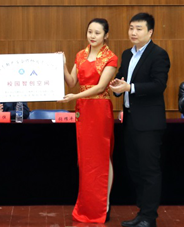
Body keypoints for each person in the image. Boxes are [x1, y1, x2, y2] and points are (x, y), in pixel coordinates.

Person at [109, 13, 170, 227]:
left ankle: (149, 217)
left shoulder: (158, 54)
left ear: (150, 32)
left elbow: (158, 85)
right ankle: (142, 212)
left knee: (149, 170)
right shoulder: (127, 54)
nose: (133, 32)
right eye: (131, 28)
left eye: (139, 29)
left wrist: (130, 87)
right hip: (130, 120)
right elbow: (123, 79)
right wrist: (117, 87)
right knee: (135, 169)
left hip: (149, 123)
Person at [60, 18, 118, 223]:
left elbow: (101, 87)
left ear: (106, 35)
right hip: (83, 110)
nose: (92, 36)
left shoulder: (110, 58)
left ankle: (105, 204)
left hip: (100, 109)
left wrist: (75, 97)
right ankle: (87, 204)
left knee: (102, 157)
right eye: (90, 32)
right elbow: (71, 82)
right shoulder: (80, 55)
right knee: (85, 159)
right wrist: (62, 65)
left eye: (97, 33)